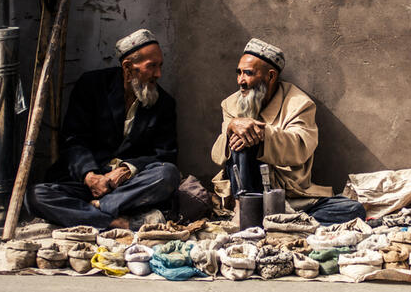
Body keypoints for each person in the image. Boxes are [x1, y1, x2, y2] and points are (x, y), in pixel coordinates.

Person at [26, 29, 180, 230]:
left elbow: (166, 155)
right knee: (35, 196)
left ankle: (96, 209)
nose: (158, 74)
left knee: (168, 174)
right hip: (88, 182)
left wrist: (126, 170)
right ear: (127, 67)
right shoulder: (91, 86)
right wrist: (90, 176)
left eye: (160, 66)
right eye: (151, 66)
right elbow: (73, 140)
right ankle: (117, 222)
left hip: (128, 188)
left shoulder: (164, 103)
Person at [211, 38, 365, 225]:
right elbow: (218, 155)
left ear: (271, 76)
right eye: (239, 73)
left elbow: (300, 148)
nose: (240, 81)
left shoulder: (299, 104)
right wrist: (232, 126)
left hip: (289, 195)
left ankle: (273, 218)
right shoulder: (230, 104)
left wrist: (264, 135)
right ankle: (245, 210)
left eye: (248, 73)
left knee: (353, 210)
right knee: (240, 135)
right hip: (246, 191)